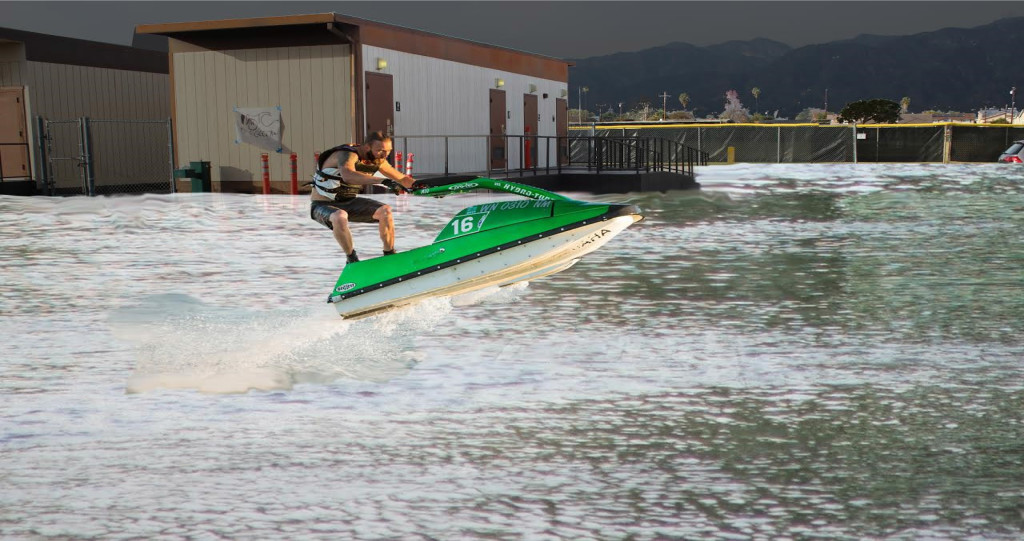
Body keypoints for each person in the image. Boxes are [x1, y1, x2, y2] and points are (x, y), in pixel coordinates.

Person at [310, 132, 417, 263]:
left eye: (388, 151)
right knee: (340, 216)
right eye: (380, 151)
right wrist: (383, 181)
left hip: (349, 203)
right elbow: (348, 175)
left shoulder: (378, 160)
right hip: (322, 205)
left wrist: (428, 188)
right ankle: (352, 259)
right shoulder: (347, 154)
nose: (385, 155)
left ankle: (389, 255)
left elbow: (402, 178)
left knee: (385, 211)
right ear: (367, 147)